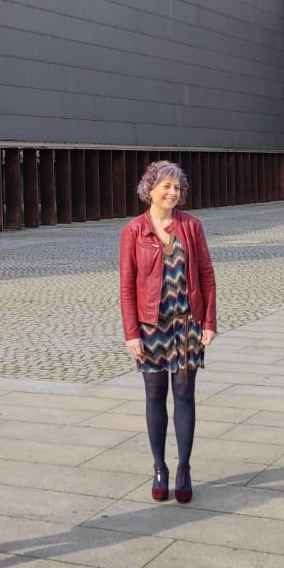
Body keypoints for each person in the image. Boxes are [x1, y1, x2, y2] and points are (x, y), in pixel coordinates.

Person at [119, 160, 217, 504]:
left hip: (187, 323)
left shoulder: (191, 227)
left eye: (177, 188)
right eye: (167, 187)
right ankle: (159, 467)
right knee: (154, 394)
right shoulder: (133, 230)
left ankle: (184, 468)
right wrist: (131, 333)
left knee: (185, 394)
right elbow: (127, 286)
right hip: (151, 327)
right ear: (151, 189)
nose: (173, 193)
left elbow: (206, 275)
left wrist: (209, 322)